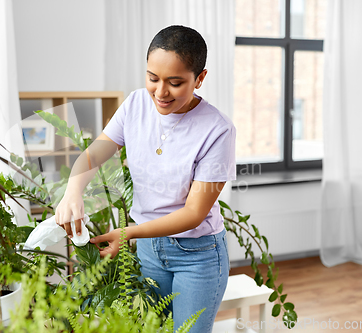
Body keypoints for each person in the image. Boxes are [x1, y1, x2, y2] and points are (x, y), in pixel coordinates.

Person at [55, 25, 236, 333]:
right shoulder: (137, 104)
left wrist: (126, 234)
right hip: (149, 250)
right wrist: (73, 191)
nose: (161, 92)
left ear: (200, 78)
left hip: (197, 257)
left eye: (175, 82)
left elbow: (194, 214)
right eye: (153, 78)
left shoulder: (218, 130)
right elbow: (95, 154)